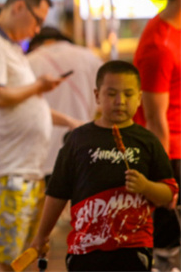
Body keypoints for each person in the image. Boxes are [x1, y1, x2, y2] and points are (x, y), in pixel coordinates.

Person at [0, 0, 81, 272]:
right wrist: (38, 85)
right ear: (19, 7)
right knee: (1, 255)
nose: (36, 30)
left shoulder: (10, 48)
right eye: (37, 21)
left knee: (19, 255)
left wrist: (69, 121)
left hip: (25, 167)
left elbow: (27, 105)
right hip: (9, 167)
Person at [31, 61, 179, 271]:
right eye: (111, 94)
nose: (120, 101)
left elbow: (169, 195)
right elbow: (57, 193)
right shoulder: (78, 140)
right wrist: (41, 236)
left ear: (139, 97)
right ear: (97, 95)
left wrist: (146, 187)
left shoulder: (148, 141)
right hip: (85, 250)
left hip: (133, 248)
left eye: (128, 94)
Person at [134, 0, 181, 271]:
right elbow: (154, 119)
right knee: (169, 249)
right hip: (172, 154)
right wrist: (164, 180)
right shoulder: (158, 45)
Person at [27, 27, 103, 178]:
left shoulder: (29, 62)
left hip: (43, 157)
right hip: (87, 149)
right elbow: (104, 105)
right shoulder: (90, 58)